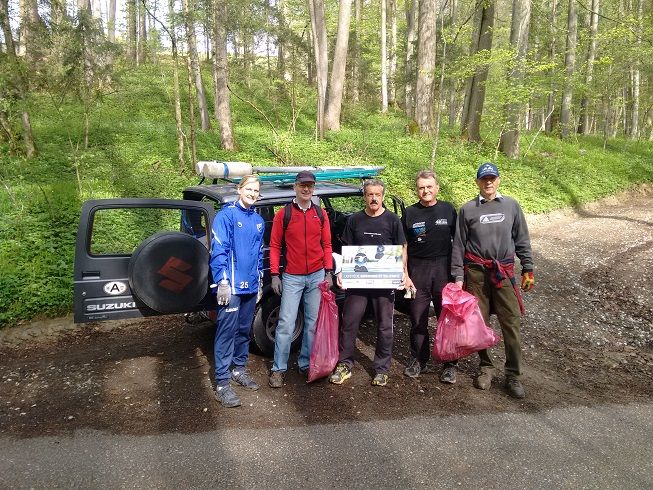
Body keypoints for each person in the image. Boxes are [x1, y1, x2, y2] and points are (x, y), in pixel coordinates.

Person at [451, 163, 534, 399]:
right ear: (477, 182)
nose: (488, 183)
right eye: (483, 179)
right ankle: (485, 368)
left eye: (492, 178)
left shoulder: (511, 206)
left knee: (511, 322)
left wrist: (528, 268)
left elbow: (522, 239)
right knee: (479, 324)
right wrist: (458, 276)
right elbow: (458, 245)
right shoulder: (467, 210)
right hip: (476, 273)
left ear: (498, 180)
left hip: (504, 272)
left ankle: (513, 375)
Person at [330, 178, 407, 387]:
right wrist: (342, 272)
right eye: (370, 194)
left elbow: (402, 248)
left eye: (377, 195)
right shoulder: (354, 220)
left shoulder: (393, 220)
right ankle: (344, 364)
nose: (374, 198)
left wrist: (405, 274)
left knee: (384, 326)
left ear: (382, 196)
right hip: (358, 282)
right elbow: (346, 249)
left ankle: (381, 369)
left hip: (384, 282)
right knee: (349, 322)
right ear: (365, 196)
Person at [268, 171, 333, 388]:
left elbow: (327, 246)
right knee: (286, 323)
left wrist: (328, 272)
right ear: (295, 187)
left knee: (312, 323)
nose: (306, 189)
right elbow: (276, 246)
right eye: (302, 185)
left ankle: (305, 363)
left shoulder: (320, 214)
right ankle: (279, 368)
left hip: (316, 276)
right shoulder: (283, 214)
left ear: (314, 188)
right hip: (292, 277)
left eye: (310, 186)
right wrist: (275, 275)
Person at [210, 175, 265, 408]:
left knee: (244, 330)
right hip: (230, 286)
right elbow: (219, 249)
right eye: (249, 189)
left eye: (256, 191)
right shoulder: (226, 215)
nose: (252, 193)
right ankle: (222, 383)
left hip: (250, 286)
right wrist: (221, 281)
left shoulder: (258, 220)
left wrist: (259, 280)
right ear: (239, 189)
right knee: (226, 332)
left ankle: (238, 369)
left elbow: (259, 253)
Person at [402, 170, 458, 383]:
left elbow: (459, 243)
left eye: (429, 187)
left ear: (437, 188)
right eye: (421, 187)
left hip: (443, 270)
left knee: (448, 319)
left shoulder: (448, 209)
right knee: (417, 319)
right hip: (419, 271)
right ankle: (418, 359)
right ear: (417, 190)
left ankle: (450, 364)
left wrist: (458, 275)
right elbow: (403, 246)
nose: (425, 191)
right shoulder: (410, 213)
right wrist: (405, 273)